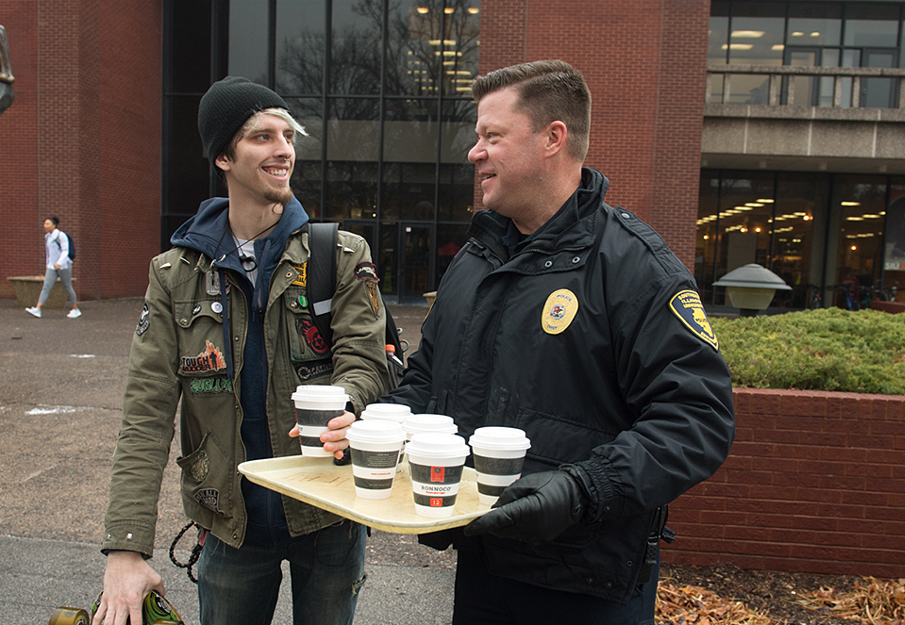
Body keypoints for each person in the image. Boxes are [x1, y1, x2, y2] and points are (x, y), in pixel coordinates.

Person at [379, 60, 736, 625]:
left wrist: (582, 490)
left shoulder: (637, 269)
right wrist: (376, 427)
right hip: (484, 562)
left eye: (491, 136)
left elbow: (697, 419)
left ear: (553, 138)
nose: (475, 152)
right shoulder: (474, 261)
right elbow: (426, 381)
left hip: (589, 584)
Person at [94, 77, 391, 625]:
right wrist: (126, 548)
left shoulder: (340, 255)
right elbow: (146, 414)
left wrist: (346, 401)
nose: (283, 149)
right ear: (224, 156)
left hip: (329, 512)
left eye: (288, 136)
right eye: (262, 137)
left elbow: (367, 361)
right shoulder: (173, 275)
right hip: (230, 524)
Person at [25, 216, 81, 318]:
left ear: (54, 225)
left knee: (68, 287)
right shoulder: (47, 237)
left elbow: (65, 250)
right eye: (45, 224)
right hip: (52, 266)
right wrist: (49, 265)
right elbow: (49, 253)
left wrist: (60, 262)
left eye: (47, 224)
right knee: (46, 286)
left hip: (64, 265)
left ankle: (75, 309)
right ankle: (38, 308)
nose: (45, 226)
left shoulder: (61, 235)